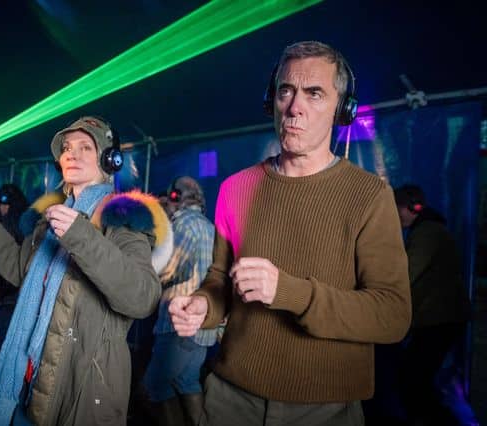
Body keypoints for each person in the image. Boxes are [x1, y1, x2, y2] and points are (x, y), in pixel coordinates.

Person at [169, 41, 411, 426]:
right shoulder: (235, 188)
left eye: (314, 93)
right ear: (272, 101)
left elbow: (392, 314)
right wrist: (204, 306)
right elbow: (220, 279)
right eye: (286, 91)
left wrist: (289, 292)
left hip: (324, 408)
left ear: (342, 109)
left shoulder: (369, 196)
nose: (295, 106)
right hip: (230, 399)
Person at [0, 116, 169, 426]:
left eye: (85, 147)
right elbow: (18, 269)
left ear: (110, 160)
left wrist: (81, 236)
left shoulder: (122, 219)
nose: (72, 154)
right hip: (27, 380)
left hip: (81, 392)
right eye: (67, 148)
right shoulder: (52, 219)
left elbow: (142, 297)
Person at [393, 184, 472, 426]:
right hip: (439, 320)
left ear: (411, 208)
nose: (395, 215)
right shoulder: (428, 230)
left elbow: (406, 275)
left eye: (397, 209)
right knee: (416, 380)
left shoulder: (427, 234)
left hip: (439, 321)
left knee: (413, 381)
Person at [143, 176, 215, 426]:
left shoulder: (184, 224)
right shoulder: (207, 225)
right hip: (201, 327)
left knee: (154, 387)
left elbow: (168, 270)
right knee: (187, 382)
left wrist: (142, 267)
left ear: (176, 197)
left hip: (179, 325)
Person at [0, 183, 27, 358]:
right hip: (19, 297)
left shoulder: (6, 228)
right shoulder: (27, 224)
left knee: (2, 351)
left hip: (8, 298)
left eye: (2, 204)